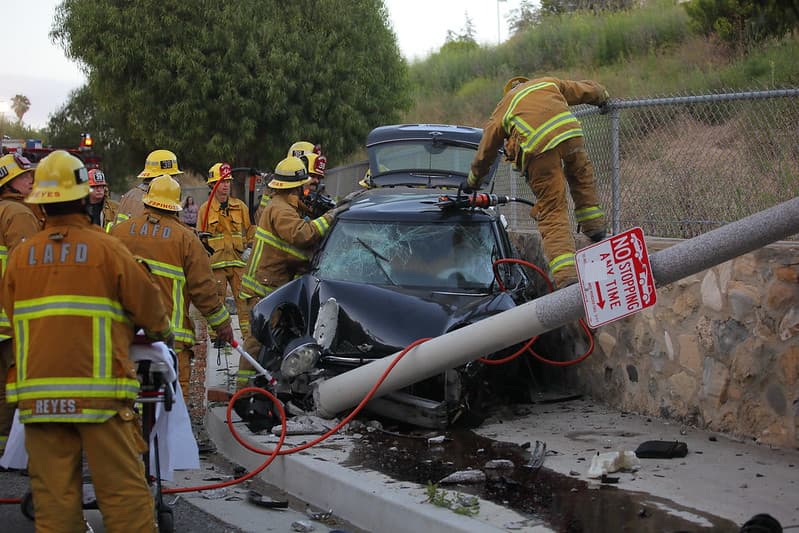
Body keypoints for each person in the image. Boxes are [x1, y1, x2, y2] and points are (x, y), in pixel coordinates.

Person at [1, 150, 172, 532]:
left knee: (56, 506)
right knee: (124, 497)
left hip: (39, 400)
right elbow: (151, 311)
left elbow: (15, 317)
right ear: (83, 197)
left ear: (41, 203)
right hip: (101, 397)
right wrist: (163, 335)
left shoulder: (20, 258)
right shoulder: (107, 250)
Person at [466, 75, 610, 288]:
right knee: (581, 177)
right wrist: (603, 97)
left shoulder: (505, 106)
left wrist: (473, 180)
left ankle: (567, 275)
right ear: (526, 82)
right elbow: (582, 90)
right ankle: (595, 228)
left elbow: (486, 150)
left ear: (508, 91)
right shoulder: (547, 83)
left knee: (552, 209)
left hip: (539, 149)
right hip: (570, 134)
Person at [111, 174, 234, 395]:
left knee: (128, 399)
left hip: (126, 334)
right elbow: (204, 291)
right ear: (175, 205)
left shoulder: (118, 232)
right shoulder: (187, 239)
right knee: (173, 402)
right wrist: (223, 325)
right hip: (171, 340)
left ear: (147, 200)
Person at [238, 156, 344, 388]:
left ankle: (260, 389)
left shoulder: (281, 205)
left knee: (268, 345)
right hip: (263, 290)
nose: (306, 189)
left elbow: (293, 250)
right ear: (294, 188)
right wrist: (330, 217)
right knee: (256, 345)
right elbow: (302, 234)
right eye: (303, 186)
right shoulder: (281, 210)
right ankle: (244, 397)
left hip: (269, 288)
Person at [0, 152, 41, 455]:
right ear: (11, 183)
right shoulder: (19, 214)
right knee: (10, 383)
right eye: (26, 177)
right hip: (10, 317)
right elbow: (30, 267)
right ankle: (8, 451)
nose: (32, 180)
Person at [197, 162, 254, 339]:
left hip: (238, 262)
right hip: (217, 265)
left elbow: (252, 229)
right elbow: (200, 238)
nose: (226, 186)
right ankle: (217, 339)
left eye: (228, 182)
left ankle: (248, 336)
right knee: (217, 302)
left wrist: (250, 248)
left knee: (244, 300)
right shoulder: (205, 210)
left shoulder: (240, 207)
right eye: (222, 182)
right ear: (212, 185)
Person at [116, 148, 183, 225]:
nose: (176, 180)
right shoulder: (159, 200)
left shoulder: (129, 195)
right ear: (164, 177)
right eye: (173, 176)